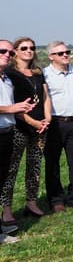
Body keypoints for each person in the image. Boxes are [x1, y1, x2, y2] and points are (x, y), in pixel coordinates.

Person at [2, 37, 52, 233]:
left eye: (32, 48)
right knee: (10, 170)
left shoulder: (38, 73)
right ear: (15, 51)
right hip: (19, 128)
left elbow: (46, 97)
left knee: (35, 166)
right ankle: (6, 210)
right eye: (24, 48)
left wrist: (47, 119)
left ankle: (31, 202)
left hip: (41, 128)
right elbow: (12, 103)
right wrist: (32, 121)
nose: (29, 51)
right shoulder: (9, 74)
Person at [43, 41, 73, 210]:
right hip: (54, 122)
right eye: (60, 53)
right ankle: (56, 200)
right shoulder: (45, 74)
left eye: (67, 52)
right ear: (51, 57)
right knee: (52, 163)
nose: (65, 55)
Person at [0, 39, 34, 243]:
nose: (7, 55)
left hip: (7, 133)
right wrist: (9, 109)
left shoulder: (7, 79)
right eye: (2, 51)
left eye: (10, 53)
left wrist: (20, 107)